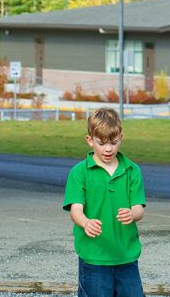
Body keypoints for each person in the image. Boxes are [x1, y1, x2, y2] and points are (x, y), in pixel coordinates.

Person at [64, 108, 147, 297]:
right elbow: (75, 210)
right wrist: (85, 222)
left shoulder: (132, 170)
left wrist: (133, 214)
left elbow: (139, 208)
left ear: (121, 138)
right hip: (94, 257)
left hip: (126, 254)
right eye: (101, 143)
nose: (108, 149)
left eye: (113, 142)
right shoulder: (79, 173)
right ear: (90, 140)